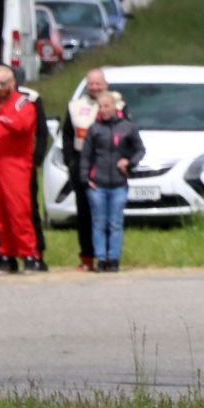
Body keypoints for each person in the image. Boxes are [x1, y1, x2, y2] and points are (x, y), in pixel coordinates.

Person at [0, 65, 45, 273]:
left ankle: (30, 254)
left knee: (19, 211)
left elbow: (21, 126)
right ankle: (6, 254)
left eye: (3, 83)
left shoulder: (24, 101)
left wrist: (0, 113)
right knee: (0, 213)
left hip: (15, 165)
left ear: (13, 82)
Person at [80, 91, 144, 273]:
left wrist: (129, 163)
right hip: (97, 184)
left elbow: (140, 150)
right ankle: (101, 258)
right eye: (100, 107)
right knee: (99, 223)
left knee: (115, 223)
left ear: (114, 107)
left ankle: (114, 258)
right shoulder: (94, 129)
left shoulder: (127, 127)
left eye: (107, 106)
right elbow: (86, 156)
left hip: (118, 183)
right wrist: (85, 179)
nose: (103, 110)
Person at [64, 68, 112, 271]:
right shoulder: (75, 106)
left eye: (98, 83)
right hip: (82, 164)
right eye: (91, 83)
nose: (94, 87)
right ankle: (87, 258)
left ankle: (108, 257)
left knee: (107, 215)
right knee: (84, 215)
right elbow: (67, 135)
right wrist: (70, 162)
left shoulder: (117, 104)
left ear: (106, 84)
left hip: (106, 166)